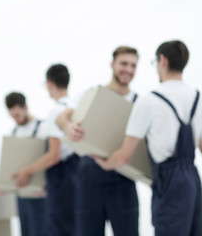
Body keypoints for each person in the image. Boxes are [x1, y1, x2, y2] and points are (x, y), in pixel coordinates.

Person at [92, 40, 202, 236]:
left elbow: (124, 156)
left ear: (162, 60)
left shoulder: (149, 101)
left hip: (168, 182)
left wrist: (104, 163)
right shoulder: (199, 97)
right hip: (193, 180)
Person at [56, 46, 140, 236]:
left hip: (123, 181)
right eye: (124, 64)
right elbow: (61, 118)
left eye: (133, 65)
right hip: (89, 181)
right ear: (112, 64)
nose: (128, 69)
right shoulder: (92, 94)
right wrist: (68, 127)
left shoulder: (139, 102)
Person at [13, 64, 78, 236]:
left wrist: (26, 171)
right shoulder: (76, 105)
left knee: (59, 228)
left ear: (49, 84)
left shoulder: (56, 111)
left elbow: (54, 155)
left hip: (62, 178)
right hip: (79, 175)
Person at [2, 92, 48, 236]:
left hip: (40, 193)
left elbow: (49, 158)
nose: (16, 119)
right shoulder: (14, 131)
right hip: (22, 194)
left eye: (17, 115)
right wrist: (3, 184)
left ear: (26, 107)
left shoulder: (43, 128)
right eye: (12, 116)